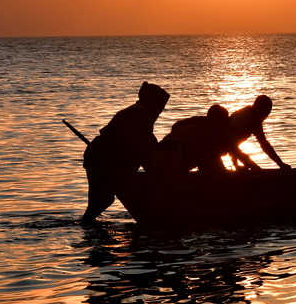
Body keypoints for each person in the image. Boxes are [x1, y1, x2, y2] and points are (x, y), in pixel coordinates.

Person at [82, 81, 170, 226]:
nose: (160, 111)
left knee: (102, 200)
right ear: (153, 103)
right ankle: (87, 226)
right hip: (100, 159)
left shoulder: (141, 114)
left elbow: (149, 148)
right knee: (102, 199)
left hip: (103, 158)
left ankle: (88, 225)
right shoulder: (138, 116)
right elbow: (143, 148)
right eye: (160, 106)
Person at [156, 104, 232, 174]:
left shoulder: (191, 122)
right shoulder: (218, 128)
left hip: (158, 151)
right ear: (222, 119)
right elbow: (236, 153)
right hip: (175, 153)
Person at [226, 95, 291, 171]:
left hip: (230, 147)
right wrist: (239, 165)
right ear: (259, 109)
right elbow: (230, 143)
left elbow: (264, 144)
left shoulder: (256, 120)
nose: (265, 117)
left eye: (267, 114)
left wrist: (281, 164)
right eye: (265, 113)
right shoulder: (243, 116)